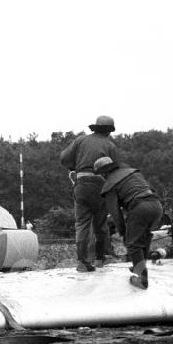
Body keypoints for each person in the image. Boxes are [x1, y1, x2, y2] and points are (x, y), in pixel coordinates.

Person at [59, 115, 120, 272]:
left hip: (81, 185)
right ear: (109, 131)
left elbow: (64, 157)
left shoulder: (80, 140)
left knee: (81, 224)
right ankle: (100, 259)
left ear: (95, 127)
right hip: (100, 186)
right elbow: (114, 171)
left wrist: (75, 167)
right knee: (100, 225)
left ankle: (82, 262)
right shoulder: (110, 146)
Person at [92, 157, 163, 289]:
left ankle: (142, 278)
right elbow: (151, 189)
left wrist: (123, 231)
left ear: (103, 173)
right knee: (144, 236)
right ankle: (139, 266)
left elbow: (115, 212)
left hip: (140, 207)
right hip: (156, 205)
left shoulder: (109, 184)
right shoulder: (132, 172)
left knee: (132, 243)